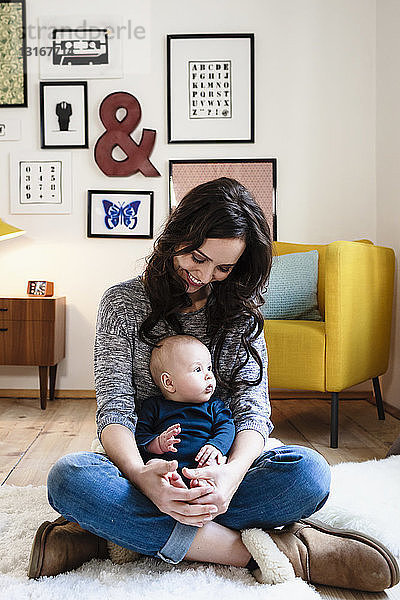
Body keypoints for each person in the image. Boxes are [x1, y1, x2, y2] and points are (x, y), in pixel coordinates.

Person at [28, 178, 399, 591]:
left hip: (217, 470)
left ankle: (109, 537)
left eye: (223, 268)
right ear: (177, 236)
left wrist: (231, 477)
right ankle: (277, 553)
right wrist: (140, 474)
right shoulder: (122, 303)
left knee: (309, 474)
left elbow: (252, 409)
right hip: (146, 466)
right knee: (69, 477)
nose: (204, 276)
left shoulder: (241, 311)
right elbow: (115, 408)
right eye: (197, 258)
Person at [135, 334, 236, 487]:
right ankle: (171, 484)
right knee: (152, 463)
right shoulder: (154, 406)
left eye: (209, 368)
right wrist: (157, 443)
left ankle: (202, 486)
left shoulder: (214, 405)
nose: (209, 375)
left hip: (202, 462)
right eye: (197, 369)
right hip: (167, 465)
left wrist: (216, 446)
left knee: (217, 463)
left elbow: (227, 428)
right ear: (169, 382)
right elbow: (140, 436)